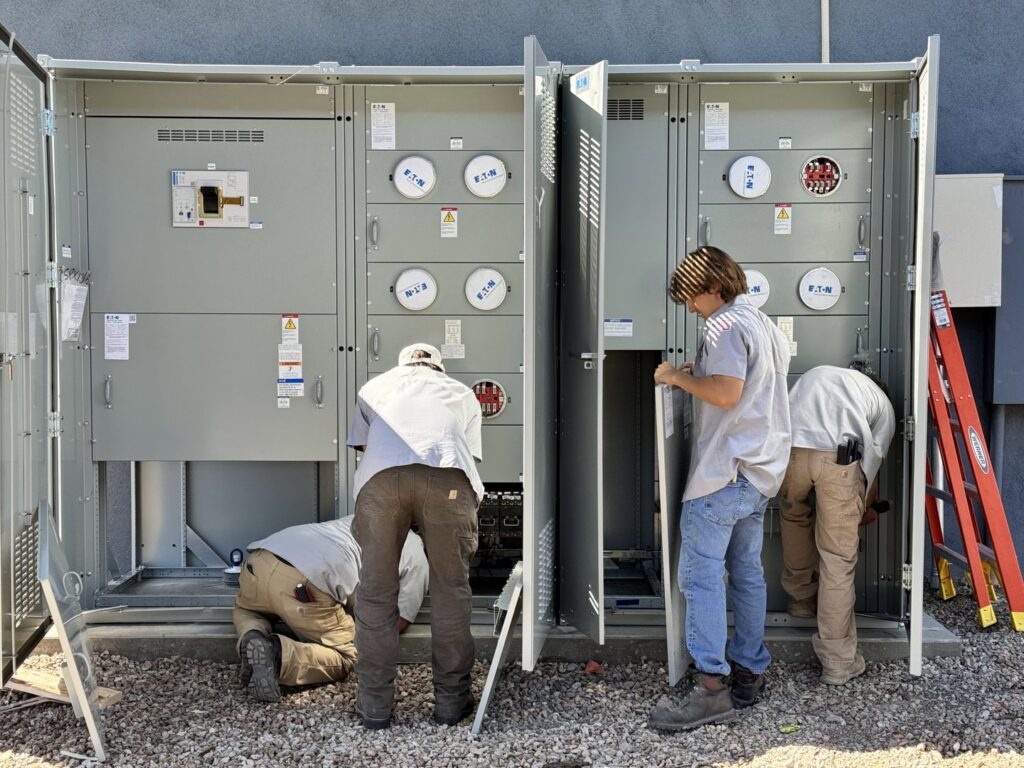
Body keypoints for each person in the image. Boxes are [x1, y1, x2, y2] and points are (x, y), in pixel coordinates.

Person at [649, 245, 791, 731]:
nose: (690, 308)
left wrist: (673, 376)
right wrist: (699, 374)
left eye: (692, 297)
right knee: (747, 572)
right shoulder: (762, 323)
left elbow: (728, 395)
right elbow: (746, 388)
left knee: (701, 577)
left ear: (713, 287)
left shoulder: (724, 325)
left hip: (723, 474)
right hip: (759, 472)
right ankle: (749, 671)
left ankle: (711, 687)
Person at [347, 342, 483, 729]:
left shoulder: (373, 388)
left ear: (401, 363)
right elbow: (467, 454)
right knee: (450, 590)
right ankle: (451, 705)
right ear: (437, 368)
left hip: (381, 482)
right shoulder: (461, 393)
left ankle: (374, 707)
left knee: (375, 594)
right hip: (447, 479)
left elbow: (363, 445)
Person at [780, 363, 895, 685]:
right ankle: (838, 662)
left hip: (790, 455)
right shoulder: (882, 406)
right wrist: (863, 510)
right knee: (837, 557)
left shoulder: (822, 373)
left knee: (794, 516)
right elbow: (870, 470)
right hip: (839, 458)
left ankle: (801, 599)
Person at [233, 516, 428, 703]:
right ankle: (277, 655)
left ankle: (253, 634)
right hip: (303, 584)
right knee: (349, 655)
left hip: (258, 561)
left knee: (248, 610)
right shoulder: (416, 552)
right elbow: (397, 622)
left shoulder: (360, 517)